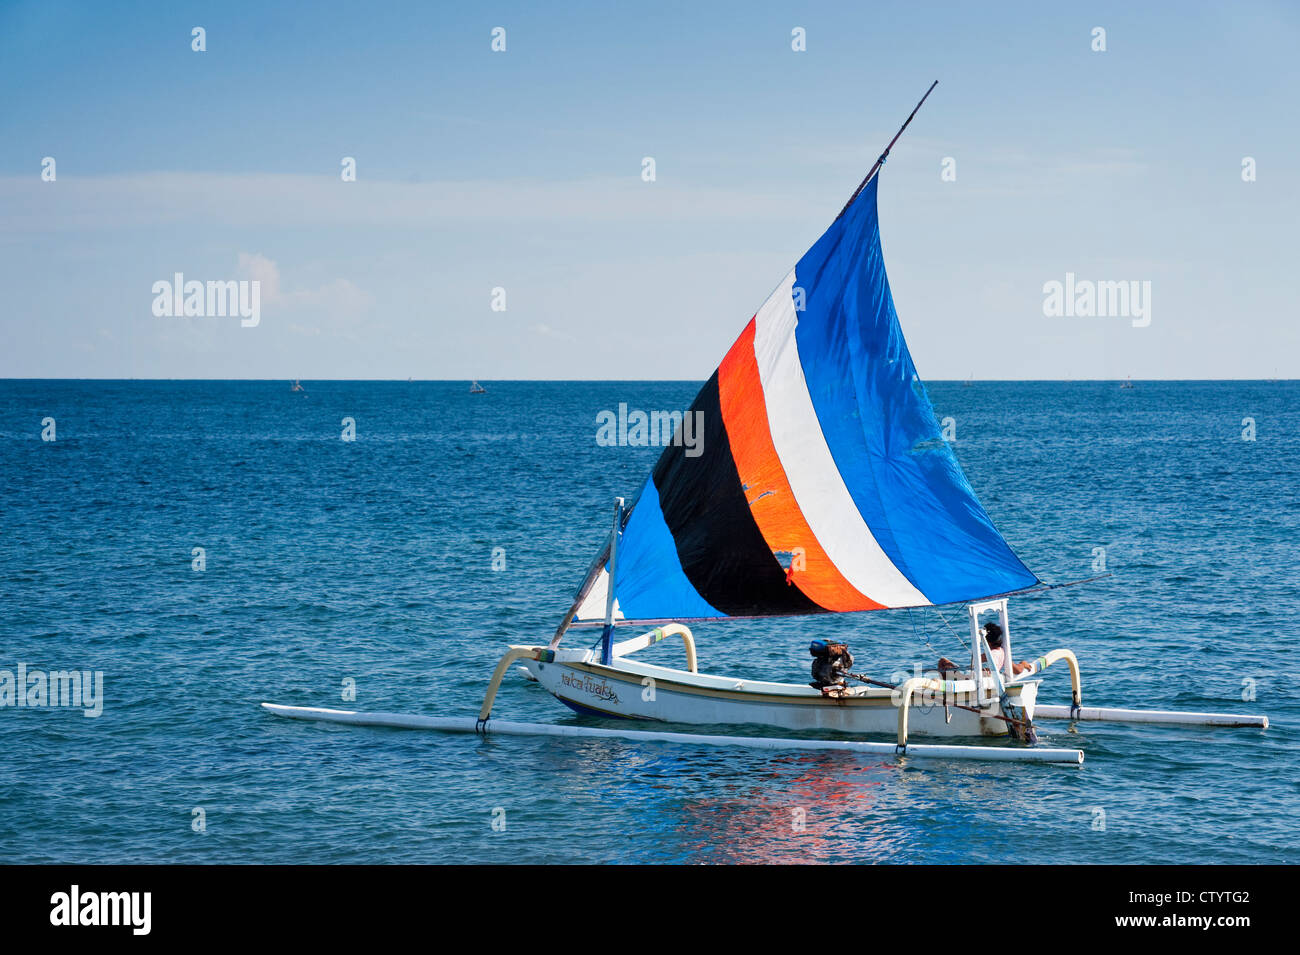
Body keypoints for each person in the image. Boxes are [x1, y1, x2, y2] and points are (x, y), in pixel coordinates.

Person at [937, 622, 1032, 678]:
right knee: (950, 666)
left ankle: (943, 689)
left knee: (943, 661)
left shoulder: (988, 655)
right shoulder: (1002, 652)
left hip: (973, 679)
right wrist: (1023, 663)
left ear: (986, 640)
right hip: (978, 677)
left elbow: (974, 663)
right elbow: (1017, 670)